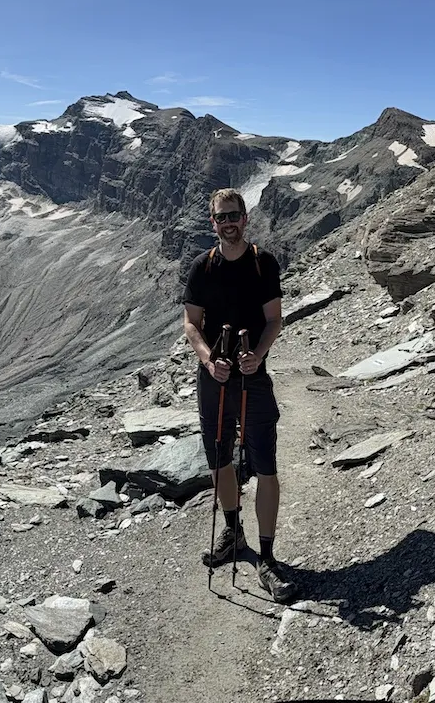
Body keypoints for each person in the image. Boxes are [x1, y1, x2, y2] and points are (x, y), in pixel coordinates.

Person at [181, 187, 294, 601]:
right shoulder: (202, 268)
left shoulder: (264, 264)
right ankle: (234, 531)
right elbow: (192, 325)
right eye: (221, 217)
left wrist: (257, 356)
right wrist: (211, 361)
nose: (228, 223)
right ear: (213, 223)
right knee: (220, 459)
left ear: (245, 218)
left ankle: (266, 557)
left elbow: (273, 319)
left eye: (234, 215)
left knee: (265, 464)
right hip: (215, 376)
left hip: (252, 376)